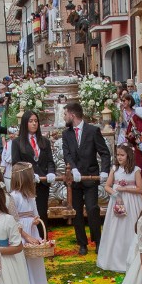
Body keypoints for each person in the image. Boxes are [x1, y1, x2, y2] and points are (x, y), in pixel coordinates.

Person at [59, 102, 112, 255]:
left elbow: (104, 152)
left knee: (92, 209)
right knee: (76, 212)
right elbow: (67, 154)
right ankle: (82, 243)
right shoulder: (66, 134)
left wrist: (104, 171)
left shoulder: (93, 130)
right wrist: (74, 168)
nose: (64, 117)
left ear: (72, 115)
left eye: (65, 114)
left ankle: (98, 241)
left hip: (90, 177)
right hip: (74, 180)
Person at [8, 164, 53, 284]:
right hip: (22, 233)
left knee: (36, 268)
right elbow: (13, 221)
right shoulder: (13, 197)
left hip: (32, 231)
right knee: (25, 269)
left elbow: (35, 214)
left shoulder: (31, 196)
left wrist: (35, 220)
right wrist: (27, 236)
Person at [99, 142, 142, 273]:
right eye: (118, 155)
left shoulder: (135, 170)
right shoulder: (115, 169)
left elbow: (140, 189)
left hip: (132, 202)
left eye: (122, 155)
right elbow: (107, 186)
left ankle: (132, 258)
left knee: (131, 226)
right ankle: (114, 258)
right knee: (116, 228)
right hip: (117, 201)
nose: (119, 157)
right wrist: (115, 194)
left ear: (128, 155)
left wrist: (125, 189)